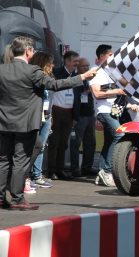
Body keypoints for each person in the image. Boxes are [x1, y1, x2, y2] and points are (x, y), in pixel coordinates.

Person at [0, 36, 96, 210]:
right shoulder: (32, 71)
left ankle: (1, 197)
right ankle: (17, 199)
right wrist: (82, 77)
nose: (34, 52)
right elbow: (55, 84)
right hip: (25, 124)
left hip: (4, 122)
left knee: (4, 160)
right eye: (33, 50)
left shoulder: (2, 70)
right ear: (28, 51)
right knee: (21, 161)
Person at [89, 44, 126, 187]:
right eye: (110, 55)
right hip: (104, 111)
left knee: (110, 141)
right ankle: (107, 170)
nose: (113, 57)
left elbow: (126, 85)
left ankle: (102, 173)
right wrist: (118, 91)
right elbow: (97, 94)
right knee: (120, 135)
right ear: (101, 56)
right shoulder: (95, 71)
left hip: (114, 110)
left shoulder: (112, 71)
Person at [47, 51, 81, 180]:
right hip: (56, 111)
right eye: (75, 61)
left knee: (63, 143)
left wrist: (75, 117)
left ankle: (60, 170)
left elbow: (77, 98)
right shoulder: (56, 72)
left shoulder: (77, 76)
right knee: (54, 142)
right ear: (67, 61)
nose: (77, 64)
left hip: (69, 113)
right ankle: (51, 171)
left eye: (78, 61)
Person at [29, 52, 55, 189]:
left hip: (47, 115)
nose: (53, 66)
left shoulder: (50, 78)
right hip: (35, 116)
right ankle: (28, 176)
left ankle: (37, 176)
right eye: (50, 63)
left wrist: (51, 116)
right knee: (33, 146)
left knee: (42, 146)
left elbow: (50, 99)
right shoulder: (34, 77)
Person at [70, 57, 97, 177]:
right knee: (76, 142)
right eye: (84, 66)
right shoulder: (75, 79)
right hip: (79, 115)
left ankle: (87, 167)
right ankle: (74, 168)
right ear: (78, 67)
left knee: (90, 142)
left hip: (90, 114)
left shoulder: (91, 79)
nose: (86, 68)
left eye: (88, 66)